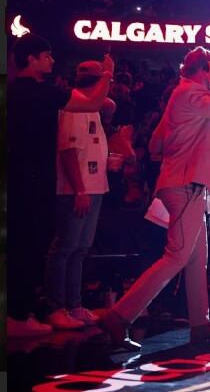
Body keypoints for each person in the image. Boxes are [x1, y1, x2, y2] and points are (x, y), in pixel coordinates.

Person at [98, 46, 210, 350]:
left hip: (189, 183)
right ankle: (119, 316)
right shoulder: (191, 93)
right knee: (177, 255)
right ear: (203, 70)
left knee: (196, 258)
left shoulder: (185, 96)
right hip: (188, 184)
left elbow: (157, 141)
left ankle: (201, 323)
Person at [8, 34, 111, 337]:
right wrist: (107, 72)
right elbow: (94, 101)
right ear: (31, 59)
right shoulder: (39, 93)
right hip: (33, 178)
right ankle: (20, 315)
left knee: (33, 245)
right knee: (35, 246)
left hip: (24, 174)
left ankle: (23, 312)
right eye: (47, 55)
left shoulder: (17, 91)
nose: (52, 61)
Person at [43, 61, 115, 330]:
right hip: (77, 191)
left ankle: (74, 305)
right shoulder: (74, 107)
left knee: (80, 249)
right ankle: (56, 306)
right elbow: (68, 151)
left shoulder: (91, 109)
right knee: (64, 248)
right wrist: (79, 189)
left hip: (94, 187)